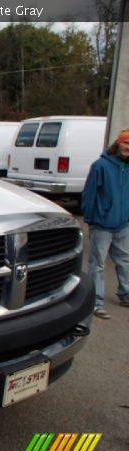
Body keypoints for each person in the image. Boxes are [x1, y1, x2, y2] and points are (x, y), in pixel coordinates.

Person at [82, 128, 129, 319]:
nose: (128, 148)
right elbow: (89, 194)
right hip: (101, 225)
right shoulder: (100, 166)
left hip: (123, 224)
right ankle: (96, 302)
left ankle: (125, 294)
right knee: (98, 264)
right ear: (118, 143)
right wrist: (91, 219)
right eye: (126, 143)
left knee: (124, 260)